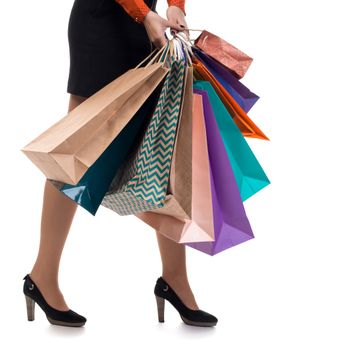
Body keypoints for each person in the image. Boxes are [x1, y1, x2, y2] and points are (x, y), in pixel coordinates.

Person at [22, 0, 218, 328]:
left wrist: (175, 6)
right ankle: (42, 276)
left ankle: (175, 280)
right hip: (102, 24)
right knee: (74, 153)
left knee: (162, 148)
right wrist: (145, 14)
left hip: (146, 26)